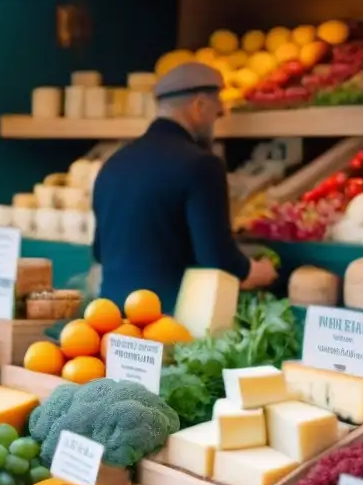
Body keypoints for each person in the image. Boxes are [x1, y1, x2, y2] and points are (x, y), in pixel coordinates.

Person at [92, 62, 277, 312]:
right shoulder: (201, 164)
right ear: (199, 105)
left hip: (109, 318)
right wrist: (255, 271)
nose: (218, 117)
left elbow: (99, 251)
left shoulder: (112, 164)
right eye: (217, 110)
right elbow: (216, 258)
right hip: (165, 320)